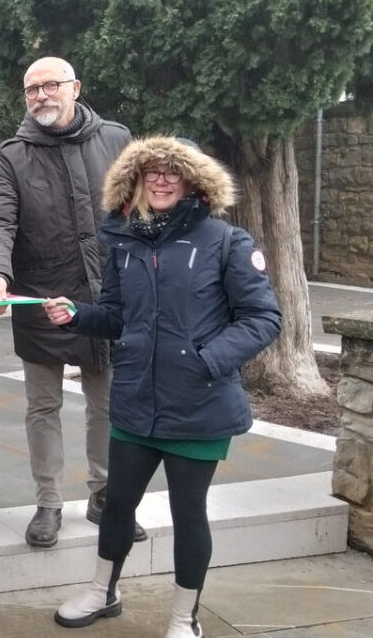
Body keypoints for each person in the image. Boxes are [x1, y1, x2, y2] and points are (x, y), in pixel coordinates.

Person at [46, 136, 281, 637]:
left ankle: (184, 617)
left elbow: (263, 318)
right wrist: (75, 316)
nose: (161, 179)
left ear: (193, 180)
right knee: (116, 503)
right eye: (151, 171)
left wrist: (207, 359)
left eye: (172, 171)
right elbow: (115, 316)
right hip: (135, 401)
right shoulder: (123, 242)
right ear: (135, 180)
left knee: (188, 513)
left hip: (199, 405)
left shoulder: (225, 241)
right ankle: (102, 591)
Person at [0, 56, 146, 548]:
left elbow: (141, 211)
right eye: (32, 89)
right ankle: (48, 502)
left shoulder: (116, 138)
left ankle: (105, 495)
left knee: (107, 404)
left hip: (106, 296)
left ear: (75, 87)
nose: (41, 95)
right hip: (40, 296)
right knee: (43, 406)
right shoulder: (13, 154)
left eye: (51, 85)